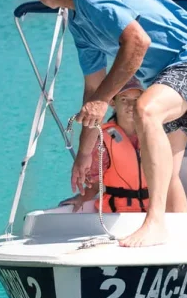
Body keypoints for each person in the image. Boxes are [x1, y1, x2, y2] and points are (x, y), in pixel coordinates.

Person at [15, 0, 187, 247]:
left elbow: (137, 42)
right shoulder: (78, 21)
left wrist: (102, 100)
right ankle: (180, 246)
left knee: (146, 110)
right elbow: (92, 89)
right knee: (168, 172)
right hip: (166, 76)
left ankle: (155, 224)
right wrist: (85, 154)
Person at [59, 77, 148, 213]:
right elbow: (95, 183)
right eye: (124, 99)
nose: (131, 105)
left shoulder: (153, 134)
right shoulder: (102, 138)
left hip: (153, 212)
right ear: (113, 102)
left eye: (136, 99)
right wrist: (82, 198)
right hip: (115, 212)